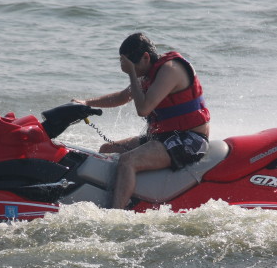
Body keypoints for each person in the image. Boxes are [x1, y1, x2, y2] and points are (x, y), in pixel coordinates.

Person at [74, 33, 210, 209]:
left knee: (128, 161)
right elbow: (123, 96)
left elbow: (143, 109)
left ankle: (116, 213)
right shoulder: (148, 72)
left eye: (134, 66)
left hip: (189, 140)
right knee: (106, 150)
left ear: (146, 57)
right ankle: (115, 196)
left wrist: (131, 73)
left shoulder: (170, 69)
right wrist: (86, 103)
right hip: (164, 137)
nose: (135, 72)